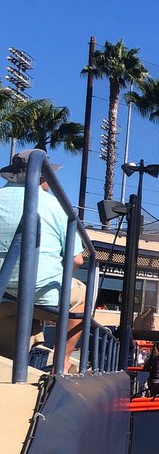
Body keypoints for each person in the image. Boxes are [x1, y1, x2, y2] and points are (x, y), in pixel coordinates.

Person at [0, 150, 88, 365]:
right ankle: (63, 361)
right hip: (40, 293)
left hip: (2, 294)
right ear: (44, 177)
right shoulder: (56, 206)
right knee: (83, 294)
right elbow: (77, 260)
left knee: (7, 358)